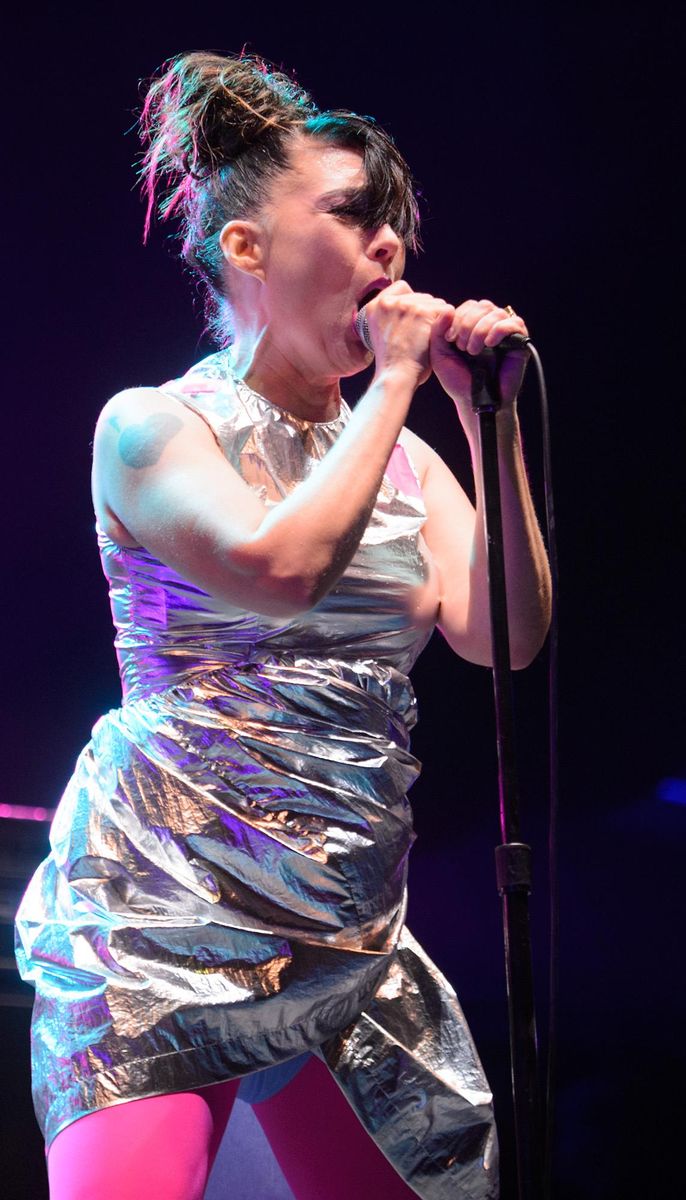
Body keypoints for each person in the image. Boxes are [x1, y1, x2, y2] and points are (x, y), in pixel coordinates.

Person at [14, 50, 551, 1200]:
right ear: (248, 248)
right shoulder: (153, 428)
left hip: (343, 927)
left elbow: (506, 634)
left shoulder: (407, 461)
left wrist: (483, 425)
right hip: (168, 906)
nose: (388, 247)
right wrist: (396, 384)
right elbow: (283, 569)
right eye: (352, 216)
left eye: (394, 224)